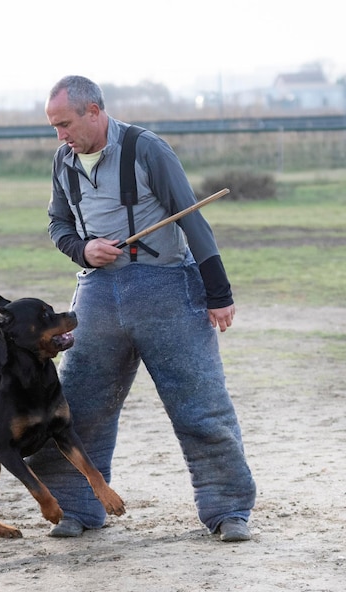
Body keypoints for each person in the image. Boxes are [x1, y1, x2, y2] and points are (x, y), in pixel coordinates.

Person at [28, 75, 256, 542]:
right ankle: (76, 507)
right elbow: (57, 223)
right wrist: (82, 249)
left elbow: (191, 218)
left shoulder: (148, 148)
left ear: (94, 111)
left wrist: (219, 293)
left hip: (169, 288)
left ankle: (229, 509)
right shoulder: (62, 161)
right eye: (54, 127)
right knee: (79, 408)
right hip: (97, 293)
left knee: (200, 408)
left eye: (65, 124)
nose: (60, 135)